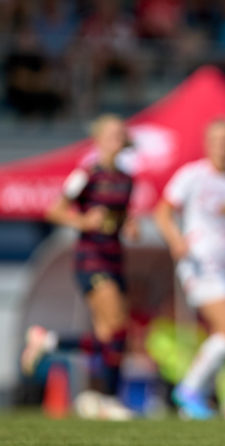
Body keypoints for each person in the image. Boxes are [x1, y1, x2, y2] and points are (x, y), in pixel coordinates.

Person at [21, 113, 137, 419]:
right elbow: (54, 210)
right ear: (98, 140)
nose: (116, 140)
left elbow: (122, 217)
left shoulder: (126, 179)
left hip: (115, 256)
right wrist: (83, 220)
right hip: (91, 257)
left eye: (119, 134)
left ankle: (51, 343)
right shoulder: (87, 174)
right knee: (116, 325)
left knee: (111, 335)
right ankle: (111, 399)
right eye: (110, 134)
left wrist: (129, 225)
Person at [154, 118, 225, 419]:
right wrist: (176, 240)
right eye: (216, 139)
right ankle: (188, 390)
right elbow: (162, 212)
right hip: (201, 264)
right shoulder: (192, 176)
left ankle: (197, 398)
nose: (221, 145)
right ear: (207, 143)